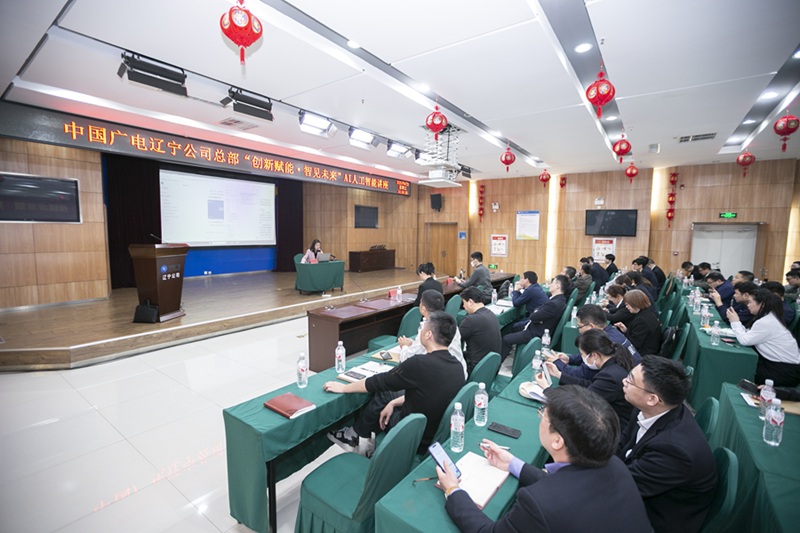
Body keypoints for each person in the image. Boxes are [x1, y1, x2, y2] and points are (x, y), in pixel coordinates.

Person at [437, 386, 652, 533]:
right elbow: (568, 489)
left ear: (557, 441)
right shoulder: (615, 465)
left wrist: (453, 490)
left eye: (543, 415)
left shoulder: (538, 503)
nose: (540, 418)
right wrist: (512, 463)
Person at [324, 311, 465, 454]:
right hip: (433, 433)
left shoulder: (419, 363)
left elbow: (379, 382)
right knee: (389, 396)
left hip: (411, 433)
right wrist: (393, 403)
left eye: (423, 327)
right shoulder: (458, 367)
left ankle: (356, 436)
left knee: (380, 394)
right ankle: (365, 441)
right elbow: (430, 393)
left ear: (428, 334)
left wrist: (345, 388)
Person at [619, 356, 718, 533]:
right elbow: (622, 444)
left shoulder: (674, 451)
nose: (623, 381)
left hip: (657, 519)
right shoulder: (651, 410)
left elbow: (622, 486)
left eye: (630, 380)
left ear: (652, 399)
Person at [542, 329, 634, 428]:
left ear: (594, 355)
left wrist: (547, 390)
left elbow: (582, 402)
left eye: (582, 355)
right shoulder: (614, 361)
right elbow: (590, 385)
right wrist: (559, 374)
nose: (582, 358)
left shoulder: (609, 376)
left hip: (614, 427)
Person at [548, 304, 641, 383]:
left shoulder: (604, 343)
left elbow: (580, 374)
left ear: (591, 326)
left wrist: (557, 363)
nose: (579, 331)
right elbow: (588, 356)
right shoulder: (611, 331)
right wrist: (570, 359)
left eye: (580, 327)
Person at [728, 288, 800, 387]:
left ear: (762, 304)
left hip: (784, 372)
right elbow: (748, 334)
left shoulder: (766, 322)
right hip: (781, 366)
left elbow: (745, 340)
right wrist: (736, 322)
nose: (748, 305)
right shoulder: (769, 317)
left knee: (739, 368)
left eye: (750, 302)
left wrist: (735, 322)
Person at [399, 289, 467, 378]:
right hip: (460, 373)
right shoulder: (451, 324)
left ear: (423, 308)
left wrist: (404, 346)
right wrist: (413, 343)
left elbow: (407, 359)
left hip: (444, 378)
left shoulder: (428, 330)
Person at [500, 275, 568, 361]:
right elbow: (537, 310)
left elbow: (533, 316)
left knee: (506, 339)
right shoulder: (560, 299)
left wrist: (537, 315)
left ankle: (496, 365)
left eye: (552, 283)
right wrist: (537, 315)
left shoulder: (554, 304)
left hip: (536, 332)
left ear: (557, 286)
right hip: (537, 326)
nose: (550, 285)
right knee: (511, 327)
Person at [458, 287, 502, 374]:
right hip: (491, 367)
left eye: (464, 303)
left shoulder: (470, 320)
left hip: (475, 368)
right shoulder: (491, 314)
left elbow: (452, 339)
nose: (463, 306)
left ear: (470, 302)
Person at [614, 289, 661, 356]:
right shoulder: (647, 313)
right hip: (646, 350)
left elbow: (633, 345)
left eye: (628, 304)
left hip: (642, 354)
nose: (627, 307)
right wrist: (626, 331)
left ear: (635, 303)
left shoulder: (641, 321)